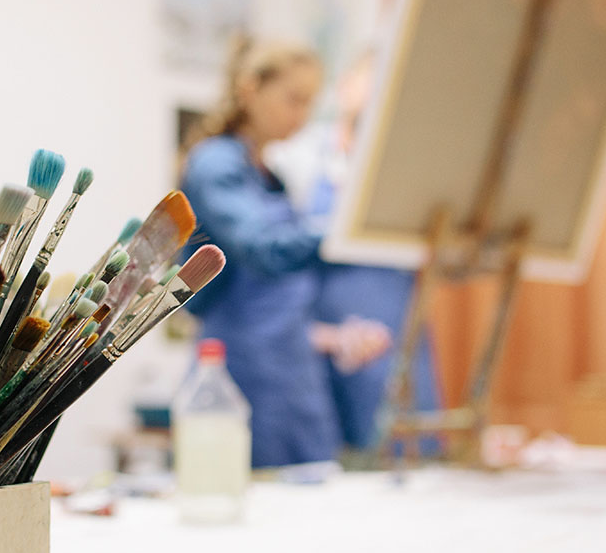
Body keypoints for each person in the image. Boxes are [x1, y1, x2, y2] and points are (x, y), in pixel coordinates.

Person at [180, 38, 390, 468]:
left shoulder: (269, 177)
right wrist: (350, 230)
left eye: (310, 103)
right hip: (243, 372)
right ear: (250, 89)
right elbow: (264, 251)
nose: (303, 116)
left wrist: (332, 336)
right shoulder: (215, 165)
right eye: (294, 99)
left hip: (294, 369)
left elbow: (281, 295)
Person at [274, 51, 442, 461]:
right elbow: (271, 276)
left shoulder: (415, 172)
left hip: (397, 353)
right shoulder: (294, 161)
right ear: (344, 86)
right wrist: (325, 338)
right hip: (319, 357)